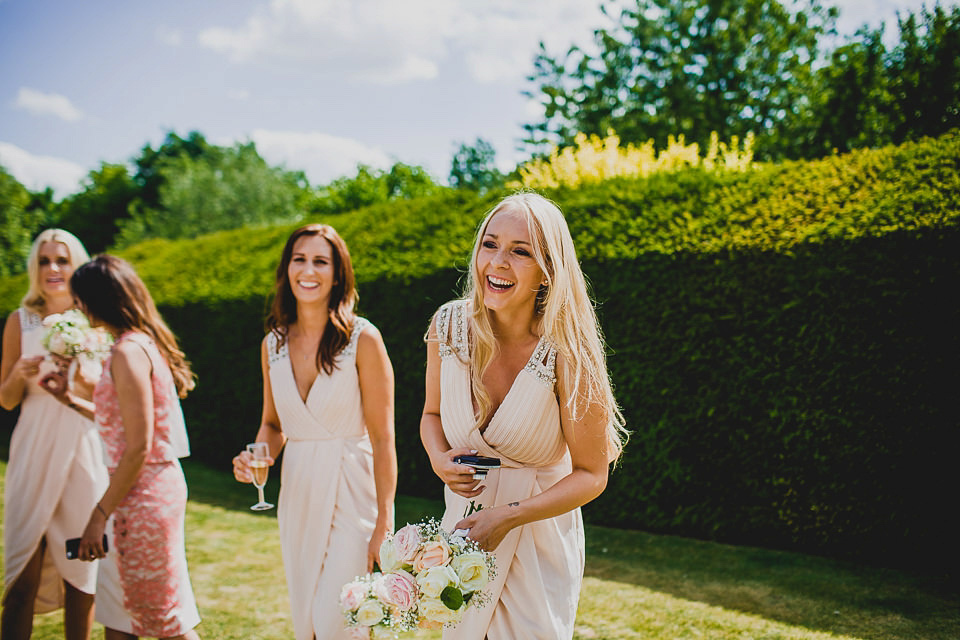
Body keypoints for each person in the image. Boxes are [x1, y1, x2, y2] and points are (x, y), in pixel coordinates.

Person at [420, 193, 628, 639]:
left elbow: (593, 474)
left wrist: (510, 515)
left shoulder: (568, 351)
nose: (497, 262)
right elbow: (431, 415)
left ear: (548, 270)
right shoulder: (447, 326)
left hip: (537, 541)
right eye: (490, 244)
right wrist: (439, 458)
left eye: (521, 251)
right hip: (464, 530)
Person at [231, 224, 397, 640]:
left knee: (336, 619)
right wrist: (256, 457)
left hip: (351, 488)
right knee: (306, 619)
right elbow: (272, 425)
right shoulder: (273, 344)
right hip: (298, 490)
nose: (308, 270)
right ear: (287, 268)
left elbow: (383, 437)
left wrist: (384, 519)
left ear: (338, 274)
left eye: (320, 261)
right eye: (299, 259)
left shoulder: (363, 338)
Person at [40, 254, 201, 640]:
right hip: (141, 491)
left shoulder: (128, 353)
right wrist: (69, 399)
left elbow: (138, 446)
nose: (77, 306)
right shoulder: (141, 344)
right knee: (121, 613)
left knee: (162, 616)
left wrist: (99, 514)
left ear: (98, 299)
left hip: (141, 496)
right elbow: (123, 422)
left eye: (80, 298)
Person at [1, 229, 108, 640]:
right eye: (44, 261)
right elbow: (7, 400)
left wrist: (76, 377)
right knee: (21, 576)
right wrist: (18, 374)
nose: (53, 269)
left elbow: (106, 404)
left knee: (82, 579)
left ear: (76, 264)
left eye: (61, 260)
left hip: (82, 452)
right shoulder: (20, 320)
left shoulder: (97, 323)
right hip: (32, 449)